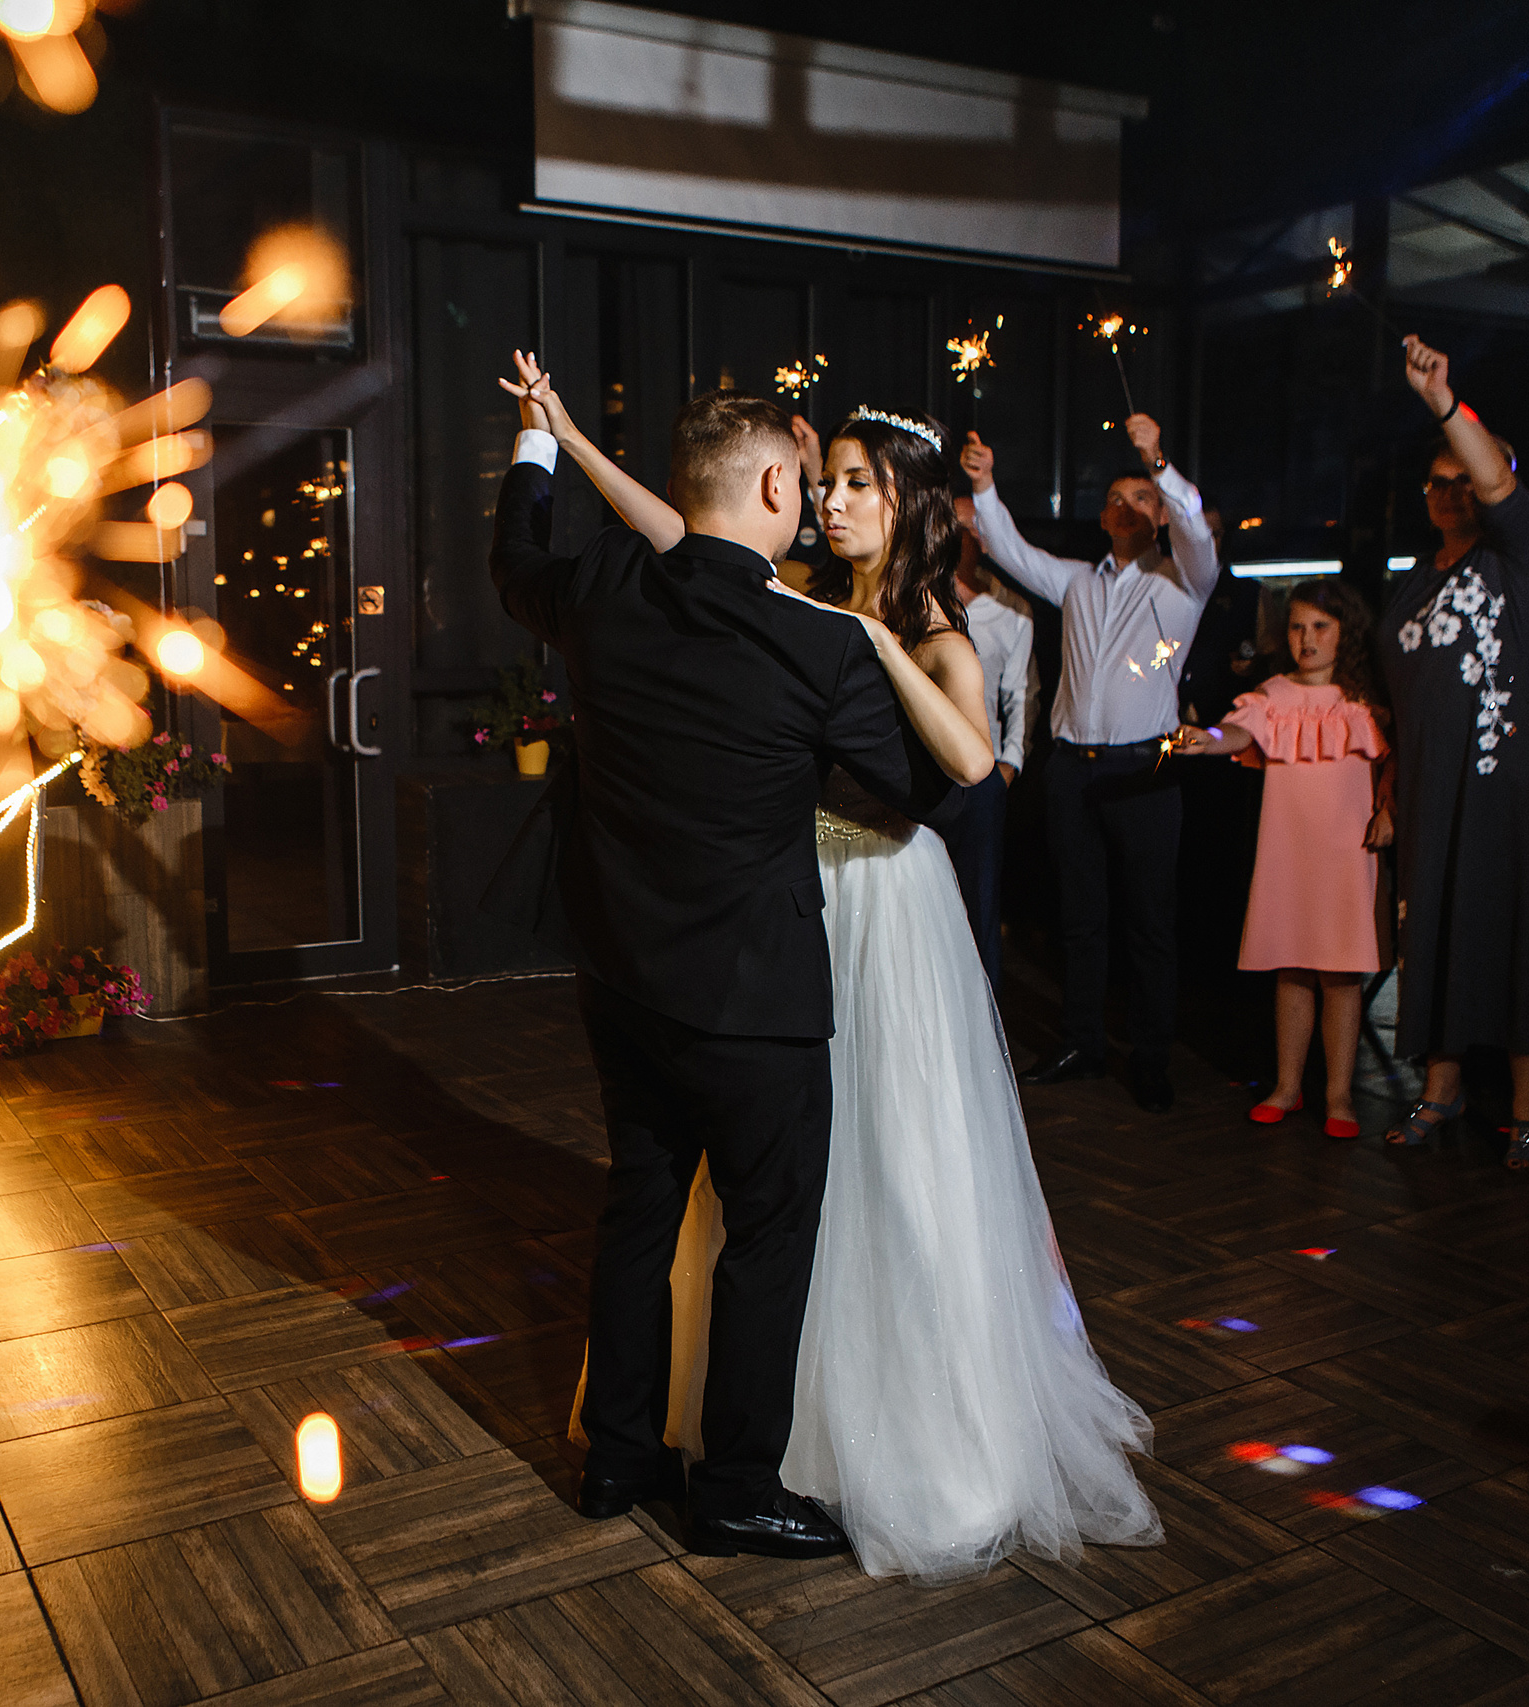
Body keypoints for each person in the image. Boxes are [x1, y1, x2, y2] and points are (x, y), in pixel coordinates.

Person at [508, 355, 1160, 1583]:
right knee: (770, 1198)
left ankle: (882, 1425)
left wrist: (872, 644)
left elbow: (968, 763)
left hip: (881, 911)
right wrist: (574, 445)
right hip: (785, 912)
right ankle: (747, 1447)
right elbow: (683, 533)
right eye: (823, 481)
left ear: (905, 503)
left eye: (856, 483)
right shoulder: (791, 603)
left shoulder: (925, 634)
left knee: (882, 1174)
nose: (830, 501)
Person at [483, 360, 963, 1561]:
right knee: (766, 1237)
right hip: (756, 1002)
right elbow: (910, 797)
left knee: (639, 1211)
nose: (813, 501)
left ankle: (615, 1464)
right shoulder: (818, 650)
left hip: (622, 985)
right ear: (766, 484)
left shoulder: (598, 586)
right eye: (804, 483)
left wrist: (538, 447)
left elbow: (514, 562)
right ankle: (738, 1486)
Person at [961, 419, 1220, 1112]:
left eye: (1140, 497)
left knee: (1149, 921)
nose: (1125, 503)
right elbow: (1011, 552)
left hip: (1144, 770)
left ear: (1160, 513)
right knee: (1079, 915)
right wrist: (984, 486)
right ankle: (1082, 1041)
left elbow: (1196, 529)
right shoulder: (1078, 581)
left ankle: (1152, 1055)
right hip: (1072, 769)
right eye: (1115, 495)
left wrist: (1158, 462)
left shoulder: (1185, 583)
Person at [1377, 337, 1529, 1170]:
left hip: (1517, 782)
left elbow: (1496, 479)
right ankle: (1443, 1084)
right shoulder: (1414, 581)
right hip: (1436, 788)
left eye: (1468, 479)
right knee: (1438, 925)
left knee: (1516, 924)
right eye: (1440, 482)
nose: (1455, 493)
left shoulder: (1524, 555)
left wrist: (1443, 403)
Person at [1175, 578, 1392, 1138]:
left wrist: (1389, 811)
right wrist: (1202, 737)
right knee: (1292, 968)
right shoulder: (1271, 695)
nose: (1307, 638)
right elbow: (1235, 732)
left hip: (1346, 850)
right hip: (1288, 850)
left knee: (1339, 974)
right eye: (1297, 627)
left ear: (1346, 632)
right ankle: (1287, 1085)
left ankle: (1339, 1095)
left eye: (1320, 627)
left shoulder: (1362, 701)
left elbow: (1392, 765)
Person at [945, 496, 1035, 996]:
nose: (961, 535)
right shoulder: (918, 599)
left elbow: (1019, 696)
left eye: (971, 527)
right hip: (924, 773)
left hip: (982, 778)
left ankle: (986, 1037)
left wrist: (1010, 764)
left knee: (980, 909)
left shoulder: (1010, 613)